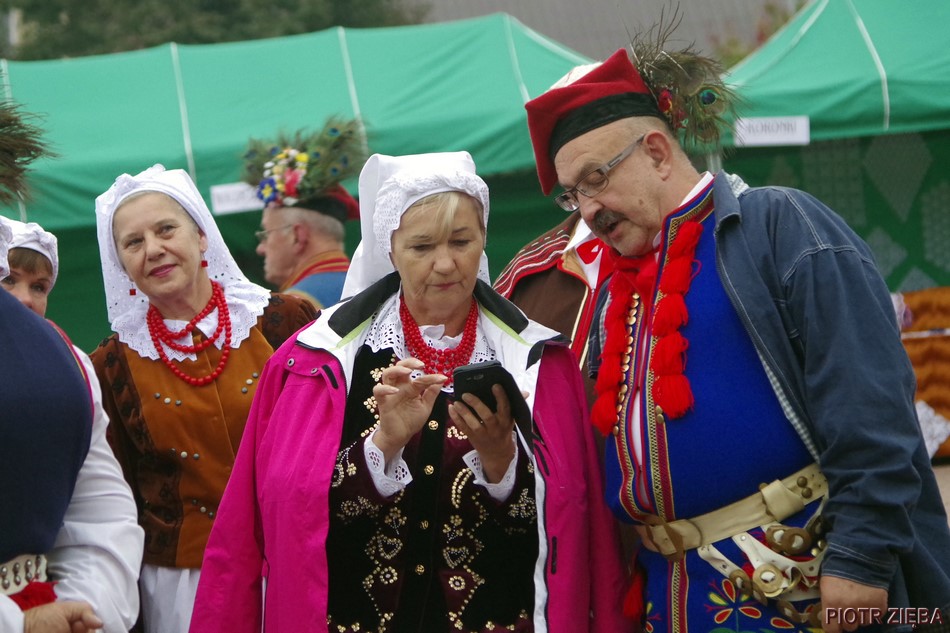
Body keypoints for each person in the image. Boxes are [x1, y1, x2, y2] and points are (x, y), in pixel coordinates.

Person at [523, 35, 950, 633]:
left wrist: (862, 558)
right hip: (669, 602)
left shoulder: (778, 228)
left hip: (801, 591)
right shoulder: (615, 293)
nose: (587, 210)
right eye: (573, 194)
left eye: (597, 178)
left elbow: (871, 404)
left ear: (657, 152)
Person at [189, 151, 632, 633]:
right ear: (391, 250)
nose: (445, 264)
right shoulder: (314, 363)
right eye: (422, 246)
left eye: (461, 241)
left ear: (483, 240)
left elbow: (570, 531)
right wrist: (383, 446)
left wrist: (500, 461)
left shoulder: (540, 363)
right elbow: (279, 524)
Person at [89, 164, 317, 633]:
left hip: (293, 554)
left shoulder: (283, 320)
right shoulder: (111, 365)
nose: (153, 249)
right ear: (121, 265)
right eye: (133, 242)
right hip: (183, 585)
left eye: (165, 229)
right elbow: (116, 491)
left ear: (200, 236)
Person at [0, 103, 143, 633]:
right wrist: (18, 623)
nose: (25, 298)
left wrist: (86, 606)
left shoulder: (66, 361)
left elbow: (99, 513)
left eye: (39, 286)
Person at [245, 117, 367, 309]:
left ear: (297, 236)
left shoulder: (294, 307)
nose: (260, 248)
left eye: (266, 234)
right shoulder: (376, 289)